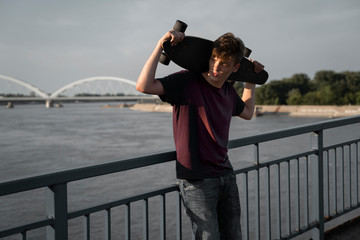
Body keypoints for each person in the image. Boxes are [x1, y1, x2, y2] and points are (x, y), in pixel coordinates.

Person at [136, 29, 264, 240]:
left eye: (224, 63)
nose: (215, 67)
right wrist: (160, 45)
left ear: (235, 67)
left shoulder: (228, 91)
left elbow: (248, 113)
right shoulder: (186, 82)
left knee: (234, 235)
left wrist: (251, 80)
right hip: (197, 179)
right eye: (214, 58)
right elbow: (143, 86)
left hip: (226, 173)